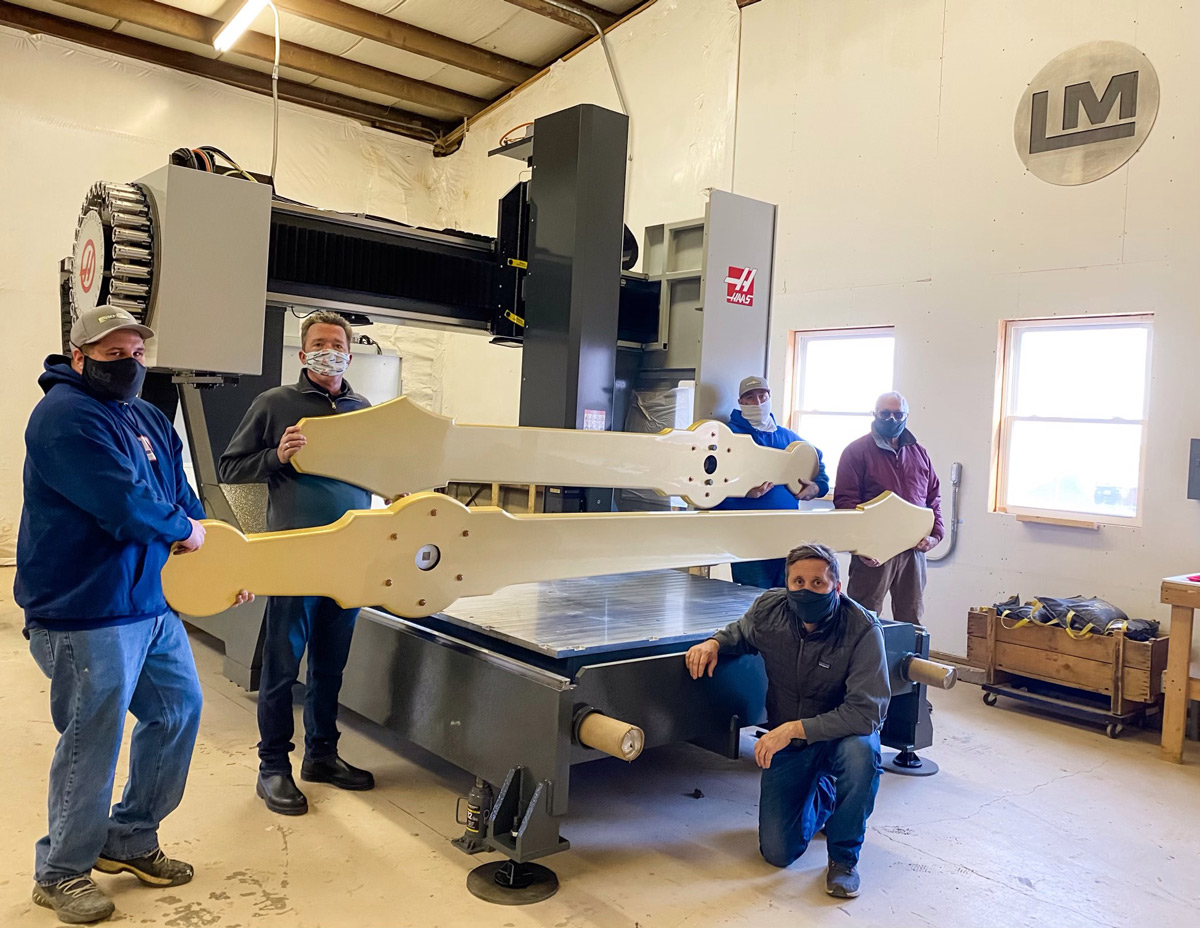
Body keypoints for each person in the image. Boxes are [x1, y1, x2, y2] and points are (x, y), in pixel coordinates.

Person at [16, 305, 251, 924]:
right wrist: (186, 532)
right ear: (79, 358)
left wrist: (219, 562)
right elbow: (123, 505)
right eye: (113, 355)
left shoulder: (146, 415)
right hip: (84, 610)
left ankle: (130, 837)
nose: (129, 365)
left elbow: (180, 495)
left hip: (147, 604)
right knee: (94, 735)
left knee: (178, 710)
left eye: (136, 354)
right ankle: (62, 870)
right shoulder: (63, 419)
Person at [219, 310, 375, 816]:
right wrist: (276, 458)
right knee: (283, 665)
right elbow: (231, 467)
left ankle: (323, 755)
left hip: (348, 556)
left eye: (337, 343)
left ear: (349, 354)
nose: (329, 350)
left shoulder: (363, 410)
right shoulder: (275, 404)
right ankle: (273, 767)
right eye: (319, 343)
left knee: (331, 664)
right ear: (304, 353)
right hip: (294, 556)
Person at [685, 543, 888, 898]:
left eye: (818, 583)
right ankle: (826, 795)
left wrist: (796, 728)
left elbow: (865, 712)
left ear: (836, 588)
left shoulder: (862, 629)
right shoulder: (771, 609)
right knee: (777, 853)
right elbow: (742, 631)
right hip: (792, 742)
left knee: (860, 756)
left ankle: (843, 860)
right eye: (798, 581)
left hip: (842, 735)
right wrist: (714, 643)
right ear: (787, 583)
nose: (806, 590)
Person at [834, 392, 943, 624]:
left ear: (906, 416)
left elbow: (933, 498)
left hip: (913, 550)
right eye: (885, 414)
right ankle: (860, 661)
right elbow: (845, 503)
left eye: (898, 414)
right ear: (875, 414)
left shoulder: (919, 453)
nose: (892, 419)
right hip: (874, 552)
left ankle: (910, 660)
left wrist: (935, 535)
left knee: (911, 617)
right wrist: (861, 546)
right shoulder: (856, 452)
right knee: (863, 617)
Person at [715, 375, 828, 589]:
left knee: (789, 597)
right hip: (746, 539)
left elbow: (816, 460)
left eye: (762, 396)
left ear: (769, 397)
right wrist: (741, 491)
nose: (757, 402)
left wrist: (817, 487)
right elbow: (707, 487)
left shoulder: (789, 439)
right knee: (753, 599)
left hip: (786, 536)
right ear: (741, 402)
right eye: (750, 398)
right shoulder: (727, 438)